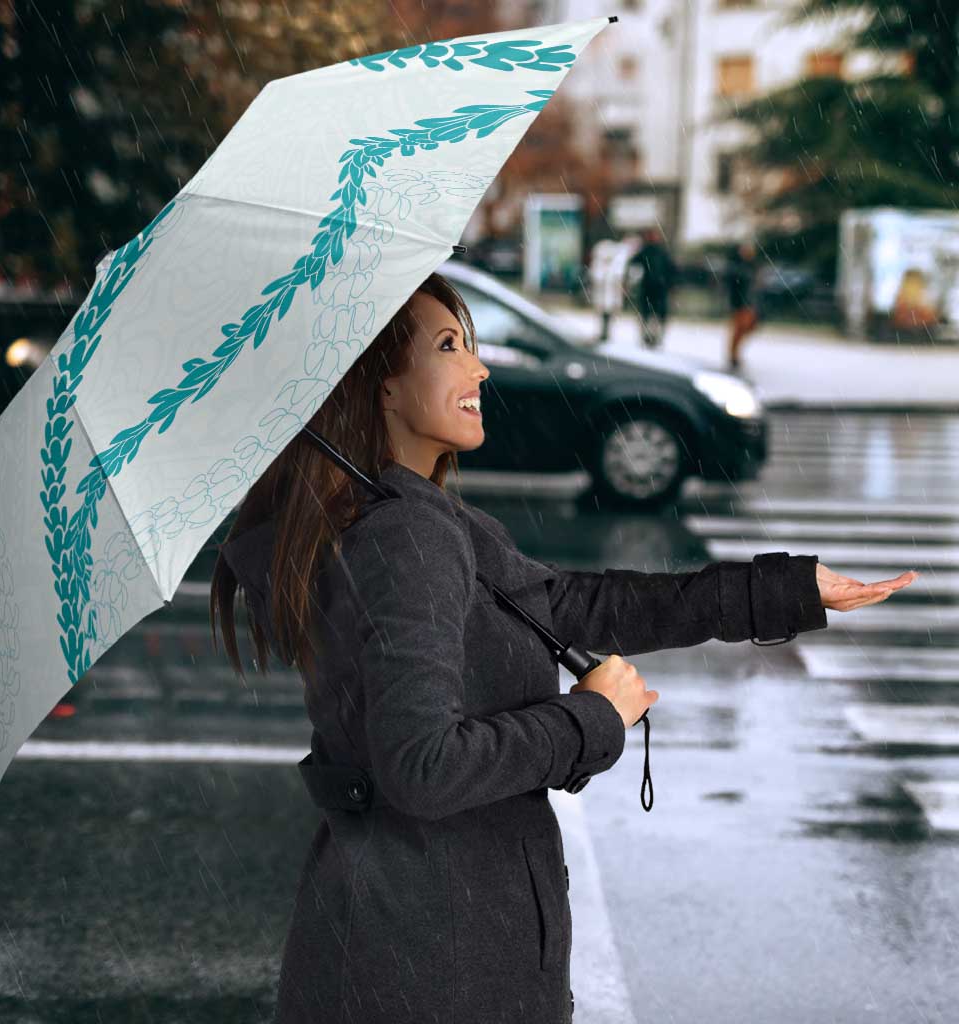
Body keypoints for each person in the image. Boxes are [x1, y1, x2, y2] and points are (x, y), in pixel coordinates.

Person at [211, 272, 915, 1024]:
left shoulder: (416, 519)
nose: (479, 368)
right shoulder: (404, 537)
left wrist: (785, 590)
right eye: (449, 346)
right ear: (380, 387)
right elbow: (422, 768)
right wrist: (590, 718)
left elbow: (578, 605)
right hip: (431, 963)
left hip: (419, 943)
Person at [627, 226, 677, 349]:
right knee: (648, 314)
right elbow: (633, 264)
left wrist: (670, 284)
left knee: (655, 315)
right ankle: (648, 337)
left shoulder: (660, 252)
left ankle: (654, 337)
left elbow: (671, 270)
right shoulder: (647, 251)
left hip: (658, 288)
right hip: (650, 288)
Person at [725, 239, 761, 370]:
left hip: (749, 303)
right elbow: (734, 286)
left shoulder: (752, 266)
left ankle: (734, 354)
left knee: (747, 328)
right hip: (740, 303)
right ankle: (733, 355)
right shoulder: (737, 267)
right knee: (739, 329)